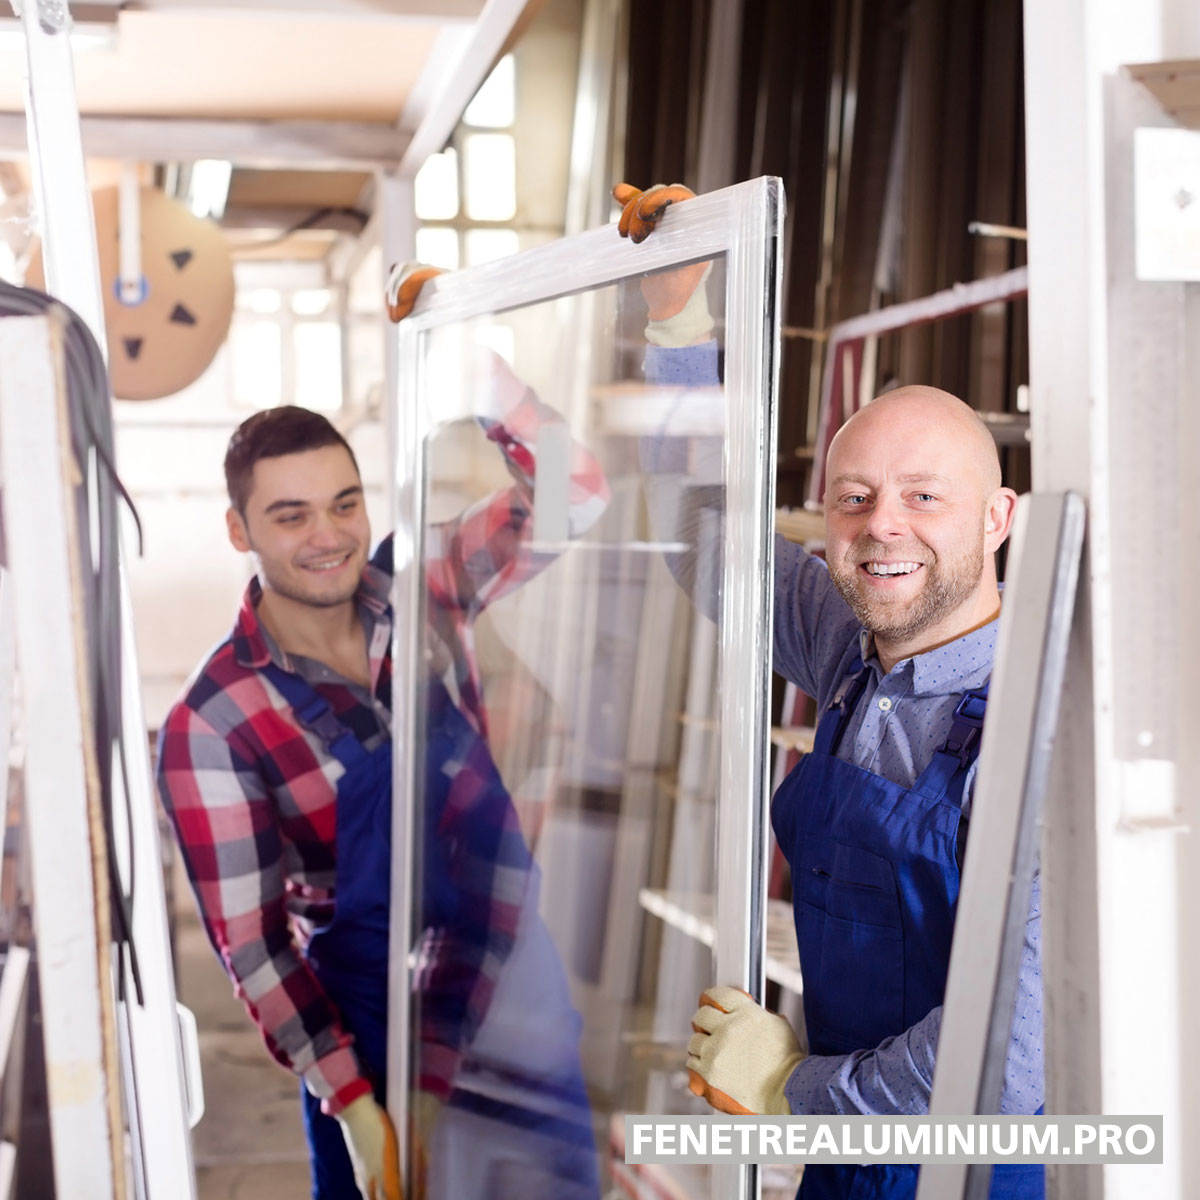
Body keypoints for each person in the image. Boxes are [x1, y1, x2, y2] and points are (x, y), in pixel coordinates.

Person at [615, 183, 1044, 1200]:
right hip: (844, 1162)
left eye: (924, 497)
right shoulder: (851, 648)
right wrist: (678, 323)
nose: (882, 526)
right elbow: (699, 534)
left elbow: (1006, 1065)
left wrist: (797, 1091)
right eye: (854, 499)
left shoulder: (1034, 732)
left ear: (998, 520)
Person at [156, 269, 609, 1200]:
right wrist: (361, 1111)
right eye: (290, 515)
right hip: (369, 1026)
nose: (328, 536)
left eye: (345, 502)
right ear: (239, 528)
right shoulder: (214, 722)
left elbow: (578, 493)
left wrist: (478, 372)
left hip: (507, 980)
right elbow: (256, 949)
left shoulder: (426, 585)